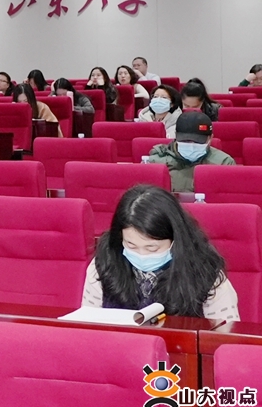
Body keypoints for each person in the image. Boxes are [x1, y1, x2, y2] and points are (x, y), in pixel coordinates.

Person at [82, 184, 238, 321]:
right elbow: (87, 323)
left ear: (175, 240)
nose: (142, 255)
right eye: (131, 245)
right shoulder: (105, 263)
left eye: (152, 248)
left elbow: (225, 334)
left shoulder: (205, 271)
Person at [145, 112, 236, 192]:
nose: (191, 145)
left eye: (198, 141)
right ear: (176, 136)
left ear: (210, 138)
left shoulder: (224, 163)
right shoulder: (156, 162)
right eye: (186, 141)